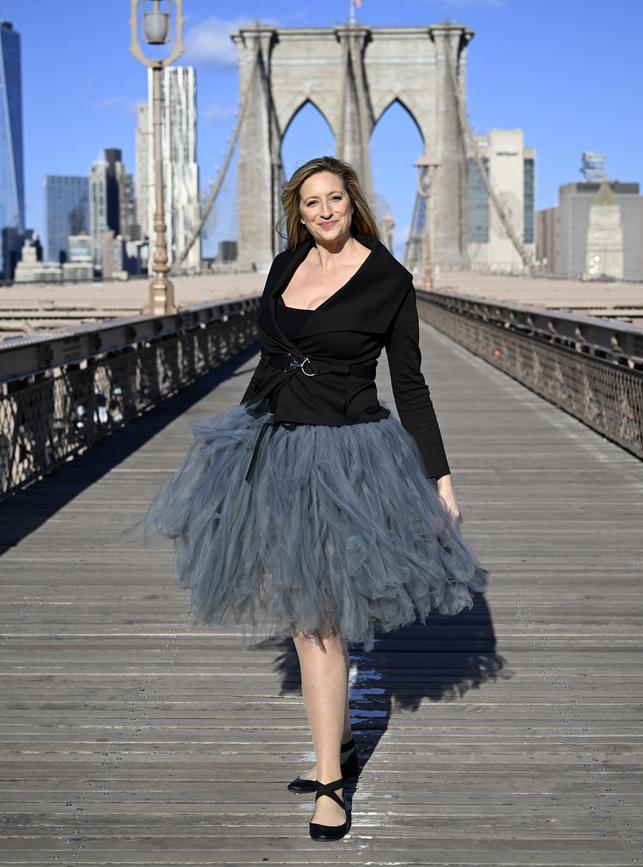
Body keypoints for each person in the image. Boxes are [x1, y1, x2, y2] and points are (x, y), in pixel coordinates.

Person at [123, 156, 488, 842]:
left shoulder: (389, 281)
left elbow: (410, 384)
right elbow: (268, 363)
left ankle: (329, 782)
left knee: (318, 616)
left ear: (354, 203)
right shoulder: (284, 268)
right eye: (312, 201)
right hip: (280, 447)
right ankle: (339, 742)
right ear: (299, 209)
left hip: (350, 457)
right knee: (305, 611)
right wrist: (232, 451)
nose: (324, 211)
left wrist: (439, 476)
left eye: (335, 199)